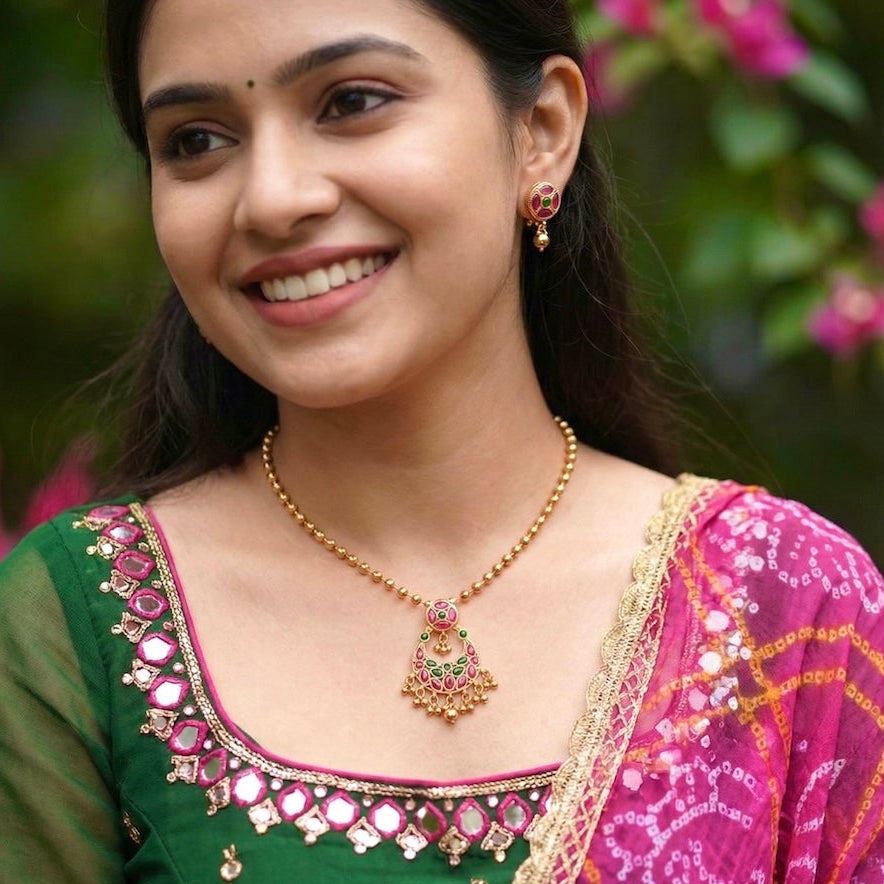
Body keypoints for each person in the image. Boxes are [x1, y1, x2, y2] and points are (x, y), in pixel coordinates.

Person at [2, 0, 883, 880]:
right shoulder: (79, 630)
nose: (273, 199)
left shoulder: (788, 609)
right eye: (195, 140)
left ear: (542, 131)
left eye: (351, 101)